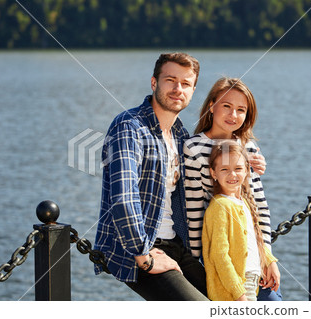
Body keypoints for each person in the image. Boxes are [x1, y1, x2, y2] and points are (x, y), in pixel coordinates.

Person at [93, 52, 208, 301]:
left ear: (193, 90)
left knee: (231, 302)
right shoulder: (129, 126)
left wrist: (244, 156)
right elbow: (124, 198)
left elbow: (212, 169)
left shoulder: (180, 134)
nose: (178, 89)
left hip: (178, 245)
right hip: (139, 247)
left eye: (186, 84)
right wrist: (144, 257)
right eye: (170, 80)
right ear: (154, 83)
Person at [184, 77, 282, 300]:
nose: (233, 115)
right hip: (221, 255)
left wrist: (268, 258)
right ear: (211, 106)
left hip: (253, 257)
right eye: (226, 106)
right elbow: (195, 207)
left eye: (241, 110)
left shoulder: (248, 146)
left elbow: (259, 208)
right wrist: (201, 263)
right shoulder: (194, 147)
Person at [202, 140, 279, 301]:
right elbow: (219, 255)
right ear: (213, 173)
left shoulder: (244, 202)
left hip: (252, 282)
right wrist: (239, 293)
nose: (233, 175)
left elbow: (253, 239)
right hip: (234, 290)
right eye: (225, 169)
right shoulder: (219, 207)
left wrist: (270, 260)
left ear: (247, 171)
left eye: (238, 168)